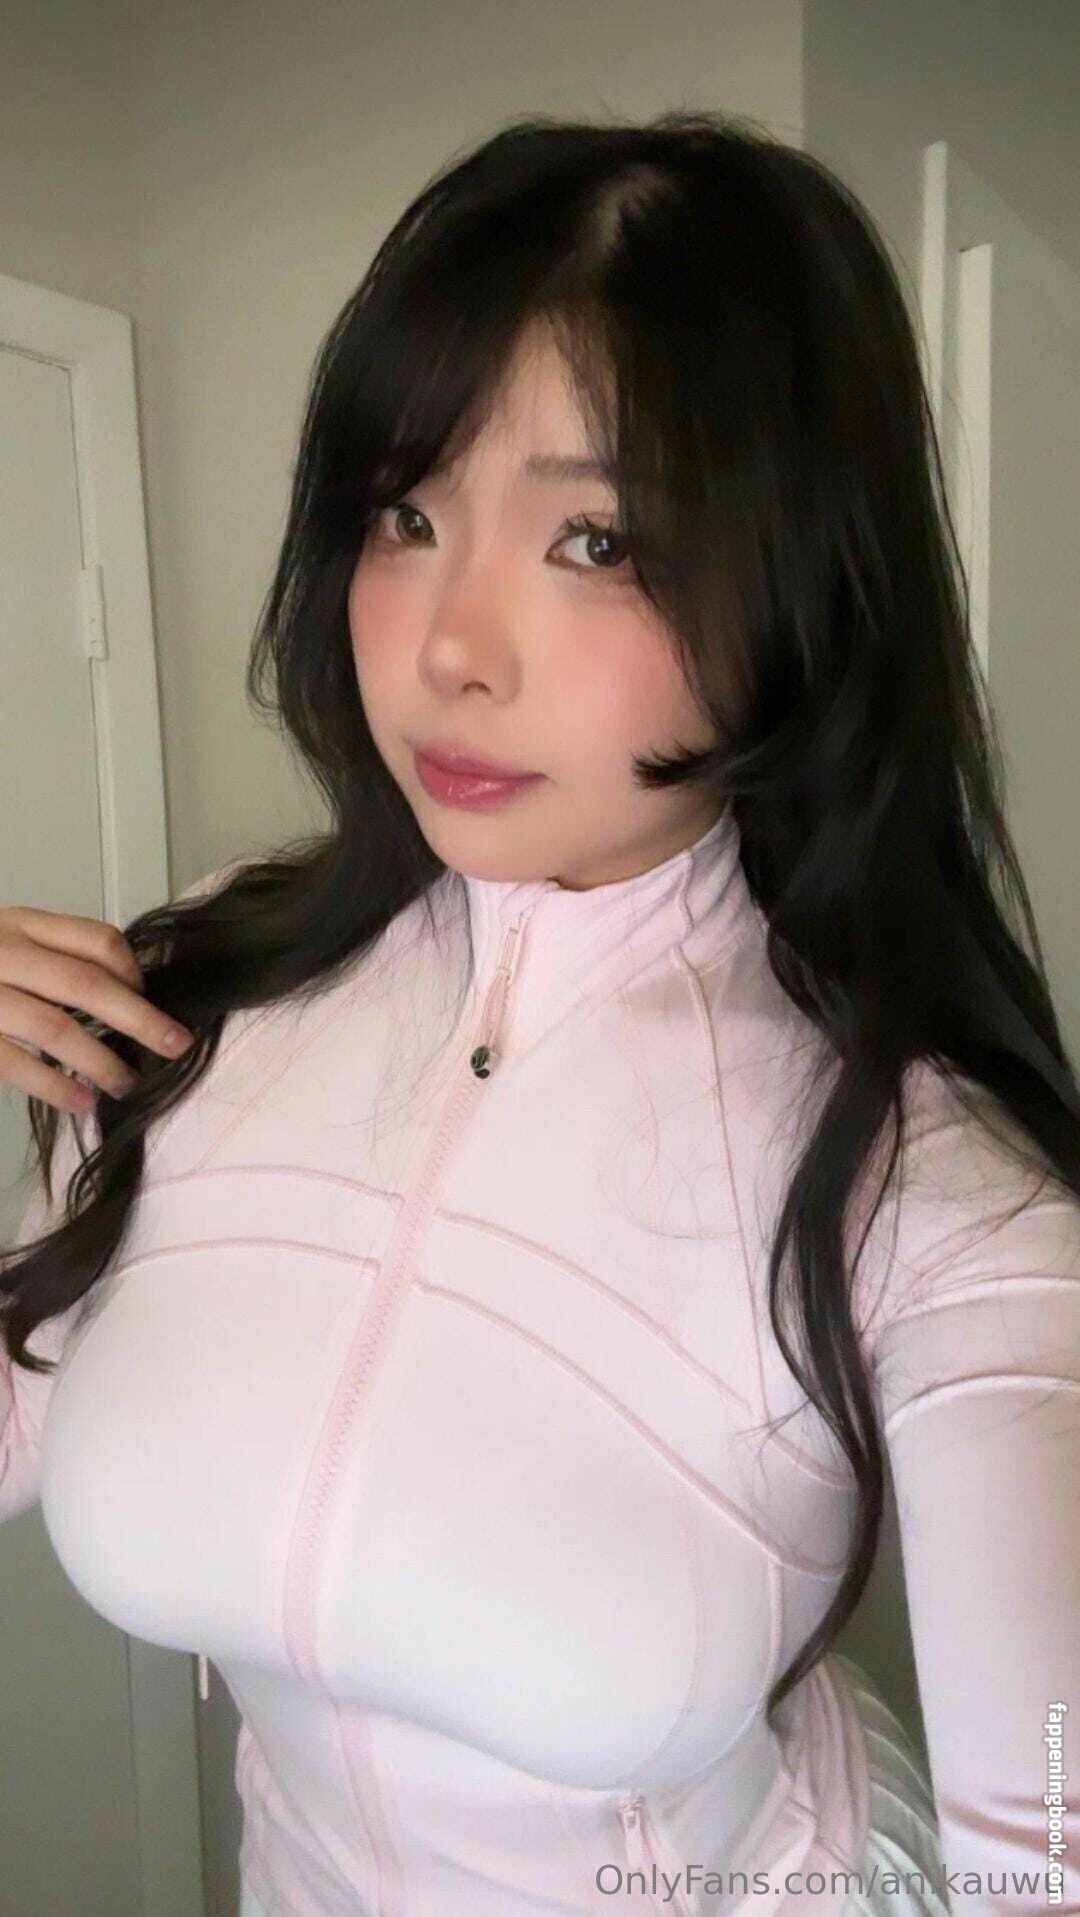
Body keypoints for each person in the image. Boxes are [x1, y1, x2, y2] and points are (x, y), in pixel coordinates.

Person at [2, 110, 1078, 1917]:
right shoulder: (199, 997)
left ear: (796, 581)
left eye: (595, 537)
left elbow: (1050, 1827)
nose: (449, 647)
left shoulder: (926, 1179)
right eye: (407, 514)